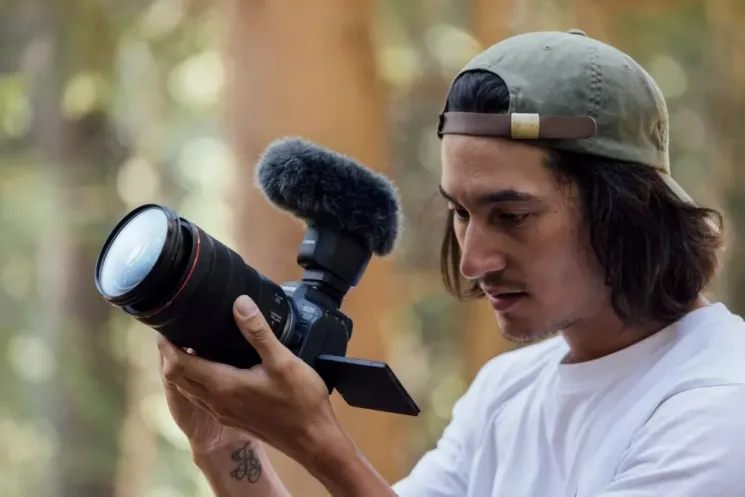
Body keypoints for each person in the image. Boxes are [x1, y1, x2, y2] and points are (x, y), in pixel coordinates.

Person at [156, 29, 745, 496]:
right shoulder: (507, 391)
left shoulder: (718, 405)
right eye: (461, 212)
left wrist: (319, 443)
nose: (473, 261)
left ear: (627, 212)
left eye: (512, 215)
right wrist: (224, 446)